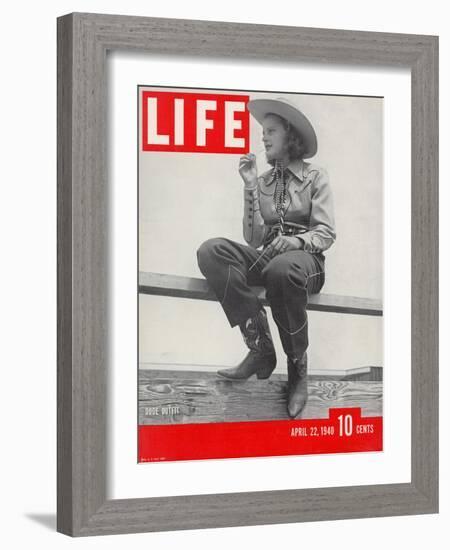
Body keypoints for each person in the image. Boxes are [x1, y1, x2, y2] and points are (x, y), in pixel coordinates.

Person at [196, 96, 336, 418]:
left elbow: (326, 234)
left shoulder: (316, 177)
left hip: (305, 262)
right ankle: (260, 347)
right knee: (211, 251)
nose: (264, 137)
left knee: (281, 270)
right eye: (263, 132)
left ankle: (297, 368)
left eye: (271, 131)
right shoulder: (263, 182)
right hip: (268, 257)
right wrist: (248, 186)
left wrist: (295, 241)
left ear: (290, 136)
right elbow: (254, 238)